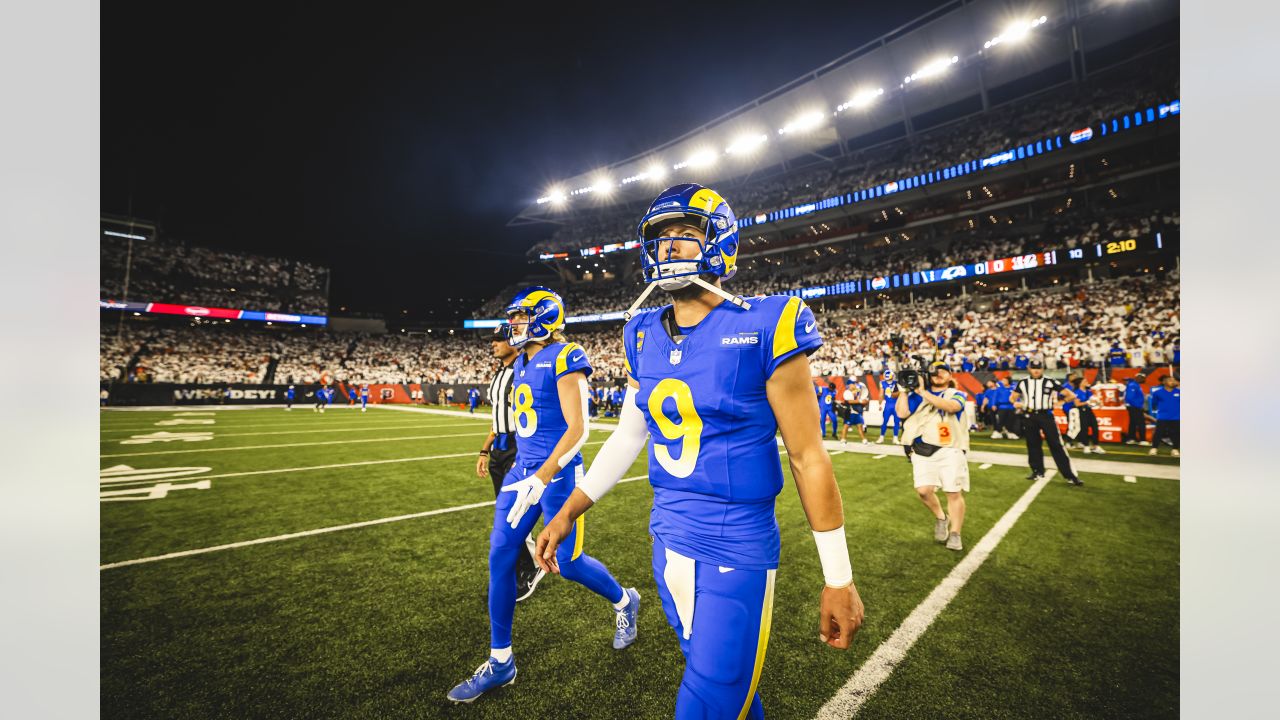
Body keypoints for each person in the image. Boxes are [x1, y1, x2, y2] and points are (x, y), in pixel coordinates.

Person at [534, 183, 864, 719]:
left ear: (720, 242)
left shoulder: (768, 322)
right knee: (730, 695)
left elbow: (807, 456)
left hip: (735, 544)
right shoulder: (641, 333)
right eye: (661, 238)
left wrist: (839, 576)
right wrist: (569, 510)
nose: (669, 248)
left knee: (707, 701)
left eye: (686, 235)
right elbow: (629, 434)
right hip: (667, 539)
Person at [448, 287, 638, 704]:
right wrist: (512, 463)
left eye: (520, 317)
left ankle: (625, 600)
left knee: (567, 566)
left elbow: (578, 429)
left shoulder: (567, 355)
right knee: (500, 557)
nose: (513, 324)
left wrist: (544, 475)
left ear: (543, 317)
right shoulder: (521, 362)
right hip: (522, 473)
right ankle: (501, 662)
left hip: (559, 475)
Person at [475, 323, 543, 604]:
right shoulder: (499, 373)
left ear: (513, 342)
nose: (493, 344)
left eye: (498, 340)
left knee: (513, 514)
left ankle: (530, 568)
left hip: (518, 445)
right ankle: (519, 567)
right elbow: (497, 417)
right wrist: (484, 449)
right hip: (500, 448)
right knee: (506, 514)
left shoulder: (524, 369)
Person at [896, 362, 970, 551]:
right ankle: (941, 518)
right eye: (934, 371)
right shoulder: (916, 395)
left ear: (950, 375)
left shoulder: (956, 394)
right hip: (922, 449)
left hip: (950, 448)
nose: (938, 374)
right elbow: (901, 413)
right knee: (923, 490)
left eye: (943, 370)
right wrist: (904, 390)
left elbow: (951, 407)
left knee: (953, 492)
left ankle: (955, 533)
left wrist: (923, 392)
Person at [1010, 361, 1083, 486]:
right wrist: (1015, 403)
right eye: (1033, 368)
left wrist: (1060, 403)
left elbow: (1070, 395)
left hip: (1046, 415)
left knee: (1056, 445)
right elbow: (1012, 397)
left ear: (1043, 369)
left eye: (1038, 368)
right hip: (1030, 415)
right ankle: (1037, 471)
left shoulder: (1050, 381)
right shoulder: (1023, 382)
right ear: (1029, 369)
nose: (1036, 371)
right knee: (1033, 444)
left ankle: (1070, 475)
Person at [1148, 375, 1180, 457]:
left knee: (1175, 433)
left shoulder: (1179, 392)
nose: (1172, 382)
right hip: (1162, 417)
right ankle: (1154, 448)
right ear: (1164, 382)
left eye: (1174, 380)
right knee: (1158, 433)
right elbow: (1154, 404)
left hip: (1176, 417)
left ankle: (1175, 449)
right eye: (1170, 380)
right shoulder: (1157, 392)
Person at [1073, 379, 1105, 454]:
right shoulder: (1077, 392)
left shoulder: (1088, 391)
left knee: (1095, 427)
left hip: (1089, 411)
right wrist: (1087, 402)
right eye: (1085, 381)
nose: (1087, 383)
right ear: (1080, 383)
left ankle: (1095, 446)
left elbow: (1093, 400)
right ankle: (1086, 446)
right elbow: (1077, 404)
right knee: (1084, 429)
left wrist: (1099, 403)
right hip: (1081, 411)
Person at [840, 379, 870, 445]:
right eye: (853, 384)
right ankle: (843, 439)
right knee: (846, 426)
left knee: (860, 426)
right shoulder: (847, 392)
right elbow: (849, 401)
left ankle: (863, 439)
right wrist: (860, 401)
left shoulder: (856, 392)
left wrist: (865, 402)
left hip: (857, 411)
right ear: (849, 385)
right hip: (850, 411)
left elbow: (860, 401)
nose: (854, 385)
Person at [1123, 373, 1150, 445]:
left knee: (1133, 423)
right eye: (1142, 378)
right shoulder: (1133, 385)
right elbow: (1129, 398)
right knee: (1141, 423)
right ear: (1138, 377)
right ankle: (1142, 440)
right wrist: (1138, 406)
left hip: (1134, 407)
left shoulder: (1135, 385)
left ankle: (1131, 439)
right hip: (1134, 407)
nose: (1144, 379)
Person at [877, 370, 901, 443]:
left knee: (895, 422)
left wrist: (880, 404)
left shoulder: (895, 383)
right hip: (890, 404)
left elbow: (881, 394)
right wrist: (880, 404)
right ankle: (884, 437)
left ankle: (894, 438)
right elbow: (881, 394)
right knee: (886, 421)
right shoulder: (883, 383)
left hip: (893, 404)